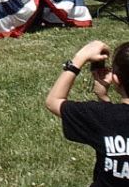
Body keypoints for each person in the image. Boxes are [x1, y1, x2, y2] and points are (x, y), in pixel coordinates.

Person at [46, 40, 129, 185]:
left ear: (116, 79)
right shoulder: (105, 116)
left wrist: (80, 58)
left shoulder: (101, 116)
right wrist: (103, 98)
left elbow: (53, 101)